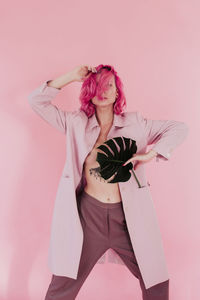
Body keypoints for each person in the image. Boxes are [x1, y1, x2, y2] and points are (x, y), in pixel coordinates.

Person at [28, 64, 189, 299]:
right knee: (63, 283)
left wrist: (152, 154)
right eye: (97, 85)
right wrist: (73, 76)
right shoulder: (76, 123)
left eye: (109, 85)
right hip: (88, 216)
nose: (103, 90)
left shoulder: (136, 124)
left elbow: (179, 128)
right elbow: (36, 101)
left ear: (117, 92)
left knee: (155, 279)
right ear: (89, 92)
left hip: (127, 217)